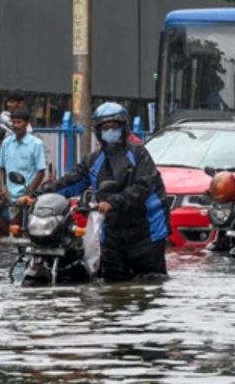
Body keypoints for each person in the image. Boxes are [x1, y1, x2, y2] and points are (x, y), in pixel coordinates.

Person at [45, 102, 169, 281]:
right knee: (112, 286)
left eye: (114, 126)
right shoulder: (93, 160)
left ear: (123, 128)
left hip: (146, 231)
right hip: (112, 233)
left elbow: (142, 187)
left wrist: (112, 202)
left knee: (151, 283)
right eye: (105, 127)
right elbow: (71, 182)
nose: (110, 131)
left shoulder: (139, 154)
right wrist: (40, 195)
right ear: (99, 131)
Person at [0, 108, 46, 225]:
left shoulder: (36, 144)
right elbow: (1, 168)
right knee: (13, 233)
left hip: (28, 197)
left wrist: (27, 194)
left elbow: (41, 172)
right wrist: (3, 189)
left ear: (27, 123)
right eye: (14, 122)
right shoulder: (6, 143)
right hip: (10, 197)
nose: (16, 125)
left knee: (30, 231)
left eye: (19, 122)